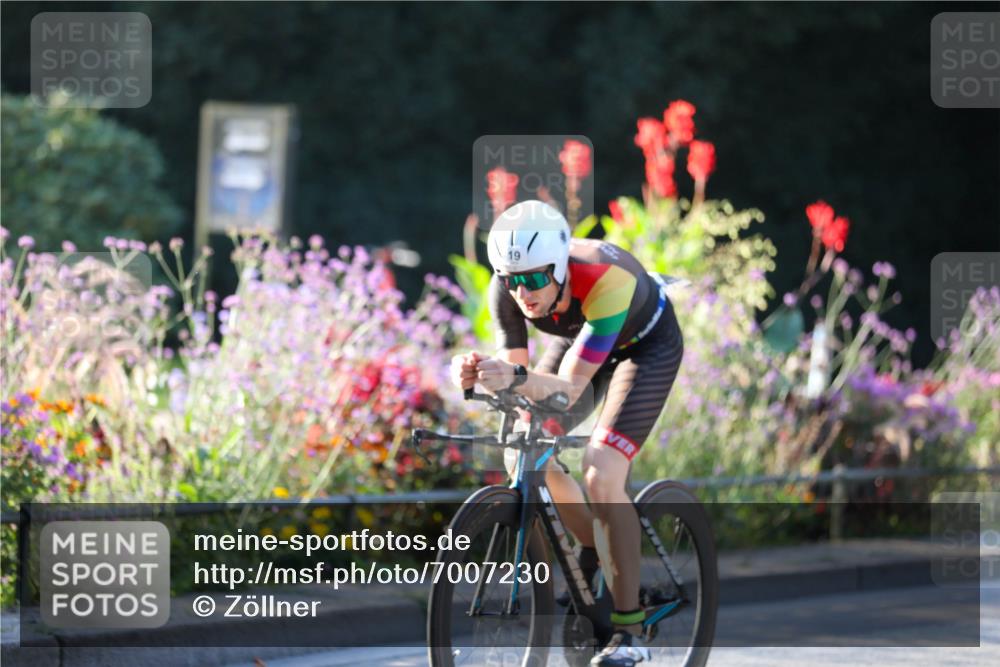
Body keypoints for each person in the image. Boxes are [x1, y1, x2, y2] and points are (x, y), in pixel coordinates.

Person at [450, 200, 684, 667]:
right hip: (581, 334)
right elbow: (519, 381)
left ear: (558, 267)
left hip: (644, 348)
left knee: (601, 473)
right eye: (512, 279)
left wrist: (514, 376)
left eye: (535, 278)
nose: (523, 293)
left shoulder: (605, 281)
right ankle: (600, 545)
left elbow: (569, 387)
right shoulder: (510, 286)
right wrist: (478, 372)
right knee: (523, 453)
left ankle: (629, 629)